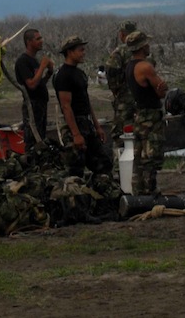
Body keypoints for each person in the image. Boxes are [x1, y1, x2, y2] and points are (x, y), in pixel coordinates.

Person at [54, 36, 111, 177]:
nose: (83, 53)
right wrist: (76, 134)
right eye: (80, 50)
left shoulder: (80, 73)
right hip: (74, 124)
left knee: (103, 163)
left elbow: (86, 101)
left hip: (87, 123)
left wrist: (97, 127)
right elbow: (66, 106)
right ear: (69, 52)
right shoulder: (63, 75)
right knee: (76, 167)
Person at [124, 30, 168, 195]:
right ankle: (151, 190)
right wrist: (164, 87)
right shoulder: (145, 67)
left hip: (139, 115)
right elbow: (161, 91)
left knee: (139, 153)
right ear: (142, 46)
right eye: (147, 44)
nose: (149, 46)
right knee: (151, 153)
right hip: (151, 116)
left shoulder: (129, 66)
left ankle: (138, 189)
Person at [14, 28, 54, 144]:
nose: (41, 41)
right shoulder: (23, 61)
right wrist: (42, 66)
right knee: (33, 138)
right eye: (38, 39)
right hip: (32, 105)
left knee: (41, 137)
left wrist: (49, 73)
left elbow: (38, 84)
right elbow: (31, 85)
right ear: (29, 42)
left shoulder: (34, 60)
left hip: (41, 104)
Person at [105, 19, 138, 154]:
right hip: (141, 100)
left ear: (121, 34)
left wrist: (116, 90)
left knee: (120, 134)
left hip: (124, 100)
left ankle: (121, 167)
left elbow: (111, 72)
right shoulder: (142, 50)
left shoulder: (119, 52)